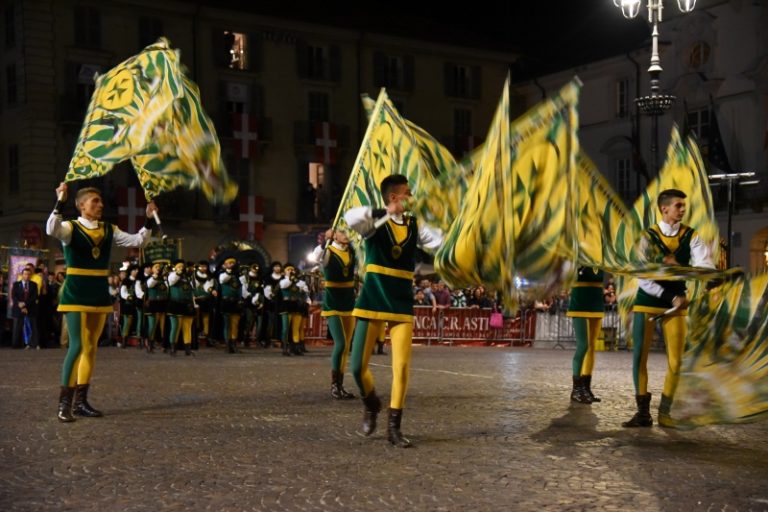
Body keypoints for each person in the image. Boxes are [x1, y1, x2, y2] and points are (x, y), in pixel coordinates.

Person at [345, 174, 442, 448]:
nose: (412, 197)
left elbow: (441, 243)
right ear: (394, 197)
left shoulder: (415, 224)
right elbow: (351, 218)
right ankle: (371, 403)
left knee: (401, 366)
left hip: (400, 302)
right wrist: (384, 212)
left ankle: (394, 428)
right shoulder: (374, 222)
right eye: (408, 193)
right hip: (373, 299)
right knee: (356, 368)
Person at [46, 182, 156, 422]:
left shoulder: (109, 229)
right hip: (75, 291)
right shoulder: (69, 227)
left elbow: (138, 241)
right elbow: (51, 229)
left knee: (91, 347)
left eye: (101, 202)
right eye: (95, 201)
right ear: (81, 205)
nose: (100, 205)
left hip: (98, 291)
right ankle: (64, 403)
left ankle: (81, 402)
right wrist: (60, 201)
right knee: (76, 345)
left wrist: (147, 220)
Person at [622, 189, 715, 428]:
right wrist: (669, 295)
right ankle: (643, 413)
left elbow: (705, 266)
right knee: (639, 358)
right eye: (678, 206)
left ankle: (666, 412)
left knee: (677, 361)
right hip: (649, 300)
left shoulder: (692, 236)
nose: (683, 209)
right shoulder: (648, 237)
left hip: (678, 303)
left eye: (683, 205)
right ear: (664, 209)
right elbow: (642, 277)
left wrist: (680, 268)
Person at [311, 228, 357, 400]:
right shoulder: (327, 250)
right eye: (342, 232)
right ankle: (334, 385)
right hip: (333, 302)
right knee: (340, 343)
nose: (347, 235)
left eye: (348, 231)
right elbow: (316, 257)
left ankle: (341, 384)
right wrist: (325, 241)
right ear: (334, 234)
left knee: (347, 346)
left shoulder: (352, 251)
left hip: (349, 301)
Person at [566, 267, 604, 405]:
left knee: (592, 347)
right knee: (583, 345)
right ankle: (576, 390)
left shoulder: (601, 256)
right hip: (580, 301)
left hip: (596, 301)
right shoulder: (578, 252)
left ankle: (585, 388)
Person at [167, 259, 196, 356]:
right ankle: (173, 348)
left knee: (187, 327)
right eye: (179, 266)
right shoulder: (172, 275)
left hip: (187, 304)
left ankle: (187, 348)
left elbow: (191, 291)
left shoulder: (187, 277)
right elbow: (171, 282)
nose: (181, 268)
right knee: (175, 327)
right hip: (176, 304)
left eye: (182, 266)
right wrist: (178, 273)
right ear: (175, 267)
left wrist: (194, 304)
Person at [218, 256, 242, 354]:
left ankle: (233, 343)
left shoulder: (237, 276)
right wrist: (229, 271)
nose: (231, 265)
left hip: (235, 301)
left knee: (235, 324)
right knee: (227, 324)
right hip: (226, 301)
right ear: (225, 265)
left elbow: (242, 287)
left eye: (233, 263)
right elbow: (223, 280)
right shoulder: (222, 274)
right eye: (229, 263)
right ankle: (228, 344)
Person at [11, 267, 39, 349]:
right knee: (17, 328)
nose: (27, 276)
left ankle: (32, 344)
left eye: (29, 274)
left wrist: (25, 304)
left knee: (32, 327)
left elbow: (34, 297)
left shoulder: (34, 285)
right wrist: (20, 305)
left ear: (31, 275)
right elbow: (13, 296)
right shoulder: (16, 284)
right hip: (18, 309)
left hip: (30, 309)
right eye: (25, 274)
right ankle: (15, 345)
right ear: (22, 275)